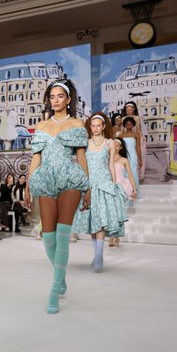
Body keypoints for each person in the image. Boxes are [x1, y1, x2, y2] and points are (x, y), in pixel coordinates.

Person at [24, 78, 90, 314]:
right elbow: (36, 158)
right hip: (45, 179)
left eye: (60, 96)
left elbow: (81, 157)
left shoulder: (77, 124)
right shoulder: (41, 126)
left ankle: (54, 289)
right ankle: (60, 277)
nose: (55, 101)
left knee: (62, 236)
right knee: (48, 238)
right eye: (52, 97)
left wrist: (88, 186)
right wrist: (28, 185)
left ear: (68, 99)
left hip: (70, 179)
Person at [72, 113, 127, 272]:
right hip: (89, 185)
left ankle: (99, 255)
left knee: (101, 222)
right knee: (92, 221)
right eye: (93, 125)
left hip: (103, 184)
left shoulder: (110, 143)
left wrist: (114, 185)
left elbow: (111, 165)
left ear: (103, 127)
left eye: (98, 125)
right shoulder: (85, 144)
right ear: (90, 127)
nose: (95, 128)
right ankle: (96, 255)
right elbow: (80, 164)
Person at [110, 138, 138, 247]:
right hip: (110, 186)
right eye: (114, 145)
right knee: (111, 212)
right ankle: (113, 235)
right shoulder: (108, 158)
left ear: (121, 147)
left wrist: (134, 189)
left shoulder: (124, 160)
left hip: (121, 187)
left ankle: (115, 236)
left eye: (118, 146)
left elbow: (130, 175)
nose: (115, 147)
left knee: (117, 212)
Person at [119, 116, 142, 199]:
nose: (129, 126)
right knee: (124, 174)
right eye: (127, 125)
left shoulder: (136, 135)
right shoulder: (121, 136)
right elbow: (119, 148)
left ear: (133, 125)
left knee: (134, 174)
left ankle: (135, 191)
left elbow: (138, 148)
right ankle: (126, 192)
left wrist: (140, 159)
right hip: (124, 157)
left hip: (133, 156)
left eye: (130, 124)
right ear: (124, 125)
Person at [123, 101, 146, 181]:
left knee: (139, 152)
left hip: (135, 136)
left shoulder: (136, 118)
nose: (129, 111)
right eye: (127, 110)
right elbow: (123, 130)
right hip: (126, 138)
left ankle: (139, 175)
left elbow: (138, 129)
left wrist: (142, 136)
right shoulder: (123, 118)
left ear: (133, 109)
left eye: (130, 110)